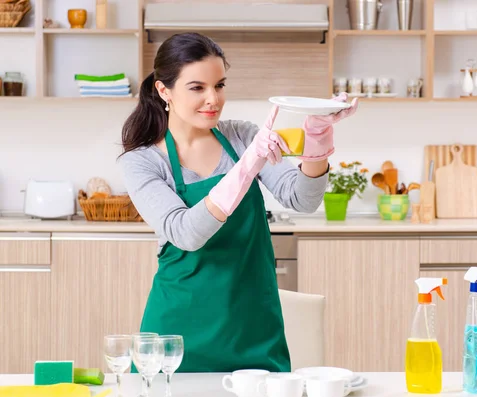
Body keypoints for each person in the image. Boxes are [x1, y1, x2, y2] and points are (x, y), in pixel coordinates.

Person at [117, 32, 358, 373]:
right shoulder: (143, 161)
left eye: (219, 85)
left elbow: (301, 199)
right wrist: (246, 168)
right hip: (179, 334)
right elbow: (185, 233)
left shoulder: (241, 136)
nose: (213, 99)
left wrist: (317, 141)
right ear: (163, 91)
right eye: (197, 88)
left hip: (253, 325)